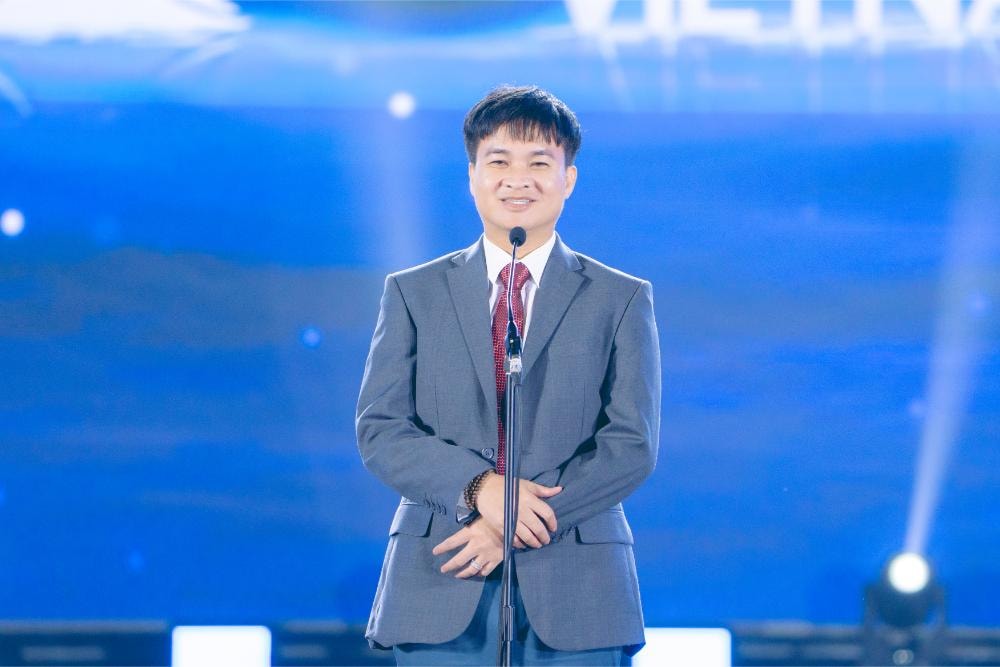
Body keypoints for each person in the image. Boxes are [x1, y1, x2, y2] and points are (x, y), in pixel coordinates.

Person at [356, 84, 661, 665]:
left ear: (568, 179)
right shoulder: (413, 292)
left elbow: (631, 444)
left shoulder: (620, 298)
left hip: (578, 581)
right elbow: (382, 430)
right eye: (499, 161)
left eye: (539, 163)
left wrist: (512, 522)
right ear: (472, 176)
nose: (518, 180)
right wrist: (481, 489)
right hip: (442, 568)